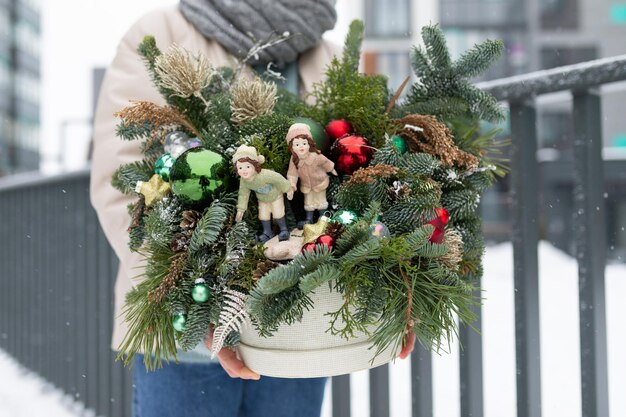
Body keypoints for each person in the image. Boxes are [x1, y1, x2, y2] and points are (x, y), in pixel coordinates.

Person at [90, 1, 415, 416]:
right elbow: (122, 183)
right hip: (188, 347)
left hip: (301, 339)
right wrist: (193, 306)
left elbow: (377, 180)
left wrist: (398, 289)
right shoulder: (162, 33)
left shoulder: (330, 57)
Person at [285, 123, 337, 228]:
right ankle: (309, 219)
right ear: (292, 148)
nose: (301, 147)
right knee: (309, 202)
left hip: (320, 182)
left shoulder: (315, 156)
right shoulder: (294, 160)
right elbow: (292, 173)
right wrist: (291, 184)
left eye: (304, 143)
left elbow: (325, 162)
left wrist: (331, 169)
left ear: (309, 144)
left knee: (320, 200)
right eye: (297, 144)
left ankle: (323, 217)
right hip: (306, 186)